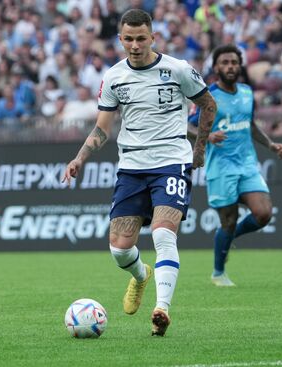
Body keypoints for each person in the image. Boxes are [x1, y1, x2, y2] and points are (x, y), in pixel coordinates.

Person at [62, 9, 217, 337]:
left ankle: (162, 309)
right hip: (131, 168)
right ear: (120, 39)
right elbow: (102, 129)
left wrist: (199, 149)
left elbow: (208, 105)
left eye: (141, 38)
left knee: (163, 233)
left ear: (153, 37)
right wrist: (80, 158)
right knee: (119, 249)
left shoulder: (177, 70)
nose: (135, 45)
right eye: (128, 39)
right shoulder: (114, 78)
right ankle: (141, 275)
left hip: (171, 162)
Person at [188, 44, 282, 287]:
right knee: (228, 222)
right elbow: (186, 125)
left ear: (240, 65)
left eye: (234, 62)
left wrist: (270, 144)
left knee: (263, 213)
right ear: (216, 67)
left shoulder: (246, 92)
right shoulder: (207, 98)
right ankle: (218, 272)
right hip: (220, 168)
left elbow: (249, 124)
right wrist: (207, 136)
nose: (230, 66)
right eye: (225, 63)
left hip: (247, 165)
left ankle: (231, 237)